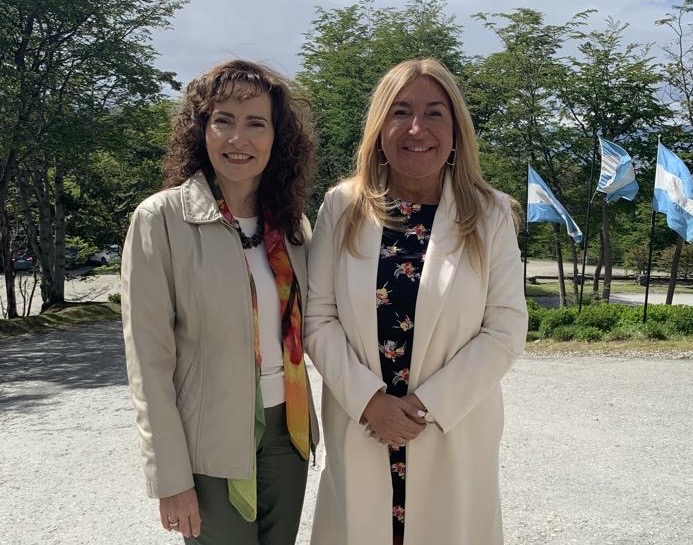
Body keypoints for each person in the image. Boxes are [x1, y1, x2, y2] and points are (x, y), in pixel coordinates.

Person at [305, 58, 528, 545]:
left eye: (434, 113)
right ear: (379, 127)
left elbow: (505, 328)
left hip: (451, 428)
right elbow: (318, 318)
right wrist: (370, 402)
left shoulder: (489, 214)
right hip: (363, 424)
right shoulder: (342, 207)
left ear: (456, 130)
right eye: (400, 111)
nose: (416, 128)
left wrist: (425, 407)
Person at [121, 59, 318, 544]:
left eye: (256, 123)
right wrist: (171, 477)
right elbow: (149, 363)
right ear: (201, 129)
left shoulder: (292, 226)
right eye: (223, 120)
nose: (238, 138)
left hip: (288, 435)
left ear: (277, 137)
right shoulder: (161, 220)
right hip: (209, 445)